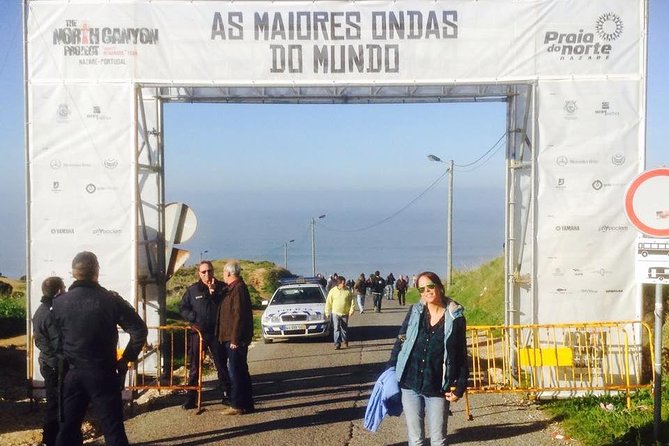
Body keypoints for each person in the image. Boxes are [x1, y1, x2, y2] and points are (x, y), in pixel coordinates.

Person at [51, 251, 148, 446]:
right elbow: (139, 330)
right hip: (103, 373)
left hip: (72, 374)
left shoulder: (59, 303)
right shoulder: (110, 300)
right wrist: (126, 358)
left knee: (67, 430)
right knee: (113, 429)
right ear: (96, 272)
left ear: (73, 273)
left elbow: (56, 342)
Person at [387, 271, 468, 446]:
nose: (427, 291)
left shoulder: (455, 317)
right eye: (422, 289)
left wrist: (460, 387)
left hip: (437, 387)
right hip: (410, 383)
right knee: (415, 439)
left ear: (440, 287)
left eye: (430, 286)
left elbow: (461, 353)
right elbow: (401, 339)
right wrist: (391, 368)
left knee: (439, 440)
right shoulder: (416, 311)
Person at [180, 260, 230, 409]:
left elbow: (226, 306)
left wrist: (214, 293)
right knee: (195, 366)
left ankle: (227, 394)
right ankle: (191, 398)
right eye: (204, 272)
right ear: (199, 274)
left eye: (209, 271)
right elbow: (183, 307)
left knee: (221, 364)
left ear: (213, 271)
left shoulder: (222, 288)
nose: (207, 274)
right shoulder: (193, 290)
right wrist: (192, 318)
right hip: (198, 333)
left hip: (216, 333)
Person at [217, 260, 255, 415]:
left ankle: (238, 405)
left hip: (235, 339)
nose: (223, 276)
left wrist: (234, 339)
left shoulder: (238, 288)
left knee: (236, 371)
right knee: (240, 370)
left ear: (228, 273)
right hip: (231, 337)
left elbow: (238, 315)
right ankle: (246, 404)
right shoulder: (233, 288)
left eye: (224, 273)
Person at [32, 276, 66, 446]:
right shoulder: (50, 314)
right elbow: (58, 343)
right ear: (59, 291)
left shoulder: (40, 311)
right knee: (57, 403)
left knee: (53, 401)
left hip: (47, 363)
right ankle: (53, 438)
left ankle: (50, 438)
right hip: (54, 365)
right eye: (64, 288)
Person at [325, 276, 355, 350]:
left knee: (344, 329)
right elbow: (328, 302)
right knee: (336, 328)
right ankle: (337, 343)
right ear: (338, 283)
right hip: (335, 313)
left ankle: (345, 340)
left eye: (344, 283)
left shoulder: (348, 291)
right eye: (342, 283)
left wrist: (352, 310)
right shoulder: (332, 291)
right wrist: (327, 312)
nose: (344, 284)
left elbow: (352, 302)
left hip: (345, 313)